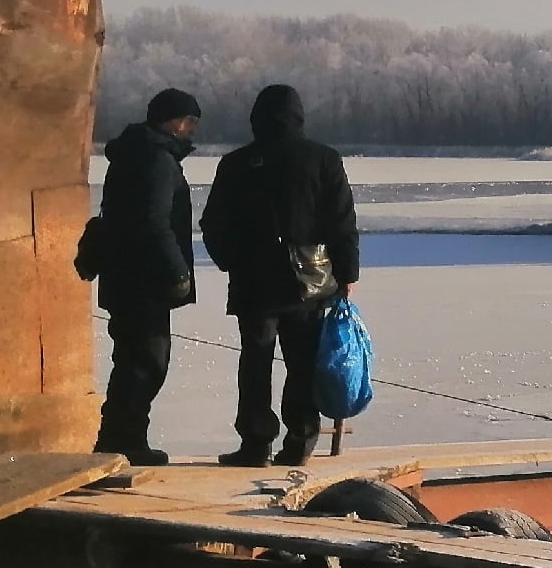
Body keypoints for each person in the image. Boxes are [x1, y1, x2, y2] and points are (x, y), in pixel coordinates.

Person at [200, 84, 359, 468]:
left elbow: (213, 223)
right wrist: (347, 273)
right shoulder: (323, 159)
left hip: (253, 282)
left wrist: (231, 261)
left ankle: (255, 443)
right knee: (302, 361)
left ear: (256, 118)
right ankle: (300, 440)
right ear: (299, 116)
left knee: (255, 361)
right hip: (308, 281)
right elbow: (341, 222)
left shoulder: (236, 163)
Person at [91, 88, 204, 465]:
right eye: (189, 122)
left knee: (132, 359)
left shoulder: (131, 154)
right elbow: (155, 223)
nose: (191, 130)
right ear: (175, 121)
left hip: (124, 276)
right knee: (147, 362)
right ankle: (124, 441)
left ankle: (119, 438)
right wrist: (177, 272)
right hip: (144, 280)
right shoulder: (157, 160)